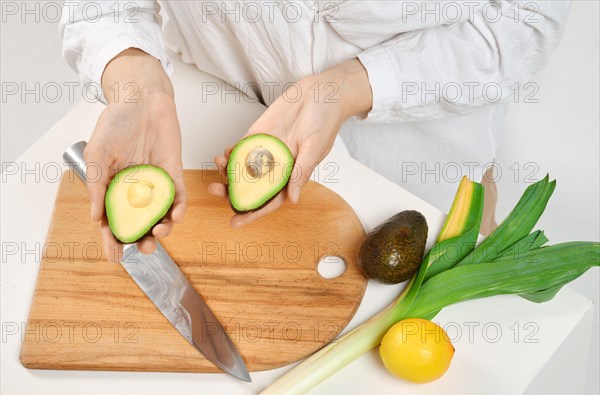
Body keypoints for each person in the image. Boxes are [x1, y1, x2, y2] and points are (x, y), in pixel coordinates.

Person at [60, 1, 570, 262]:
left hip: (418, 162)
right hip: (209, 123)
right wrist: (132, 76)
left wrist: (354, 85)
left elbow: (526, 20)